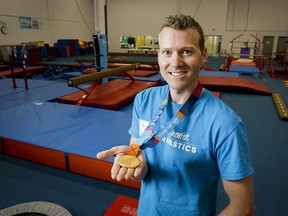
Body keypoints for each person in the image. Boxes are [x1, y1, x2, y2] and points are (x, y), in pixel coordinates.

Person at [97, 14, 255, 216]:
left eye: (186, 51)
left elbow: (244, 208)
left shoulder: (225, 123)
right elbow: (143, 172)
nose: (176, 62)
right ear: (159, 56)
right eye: (167, 52)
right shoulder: (144, 100)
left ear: (203, 55)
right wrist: (136, 166)